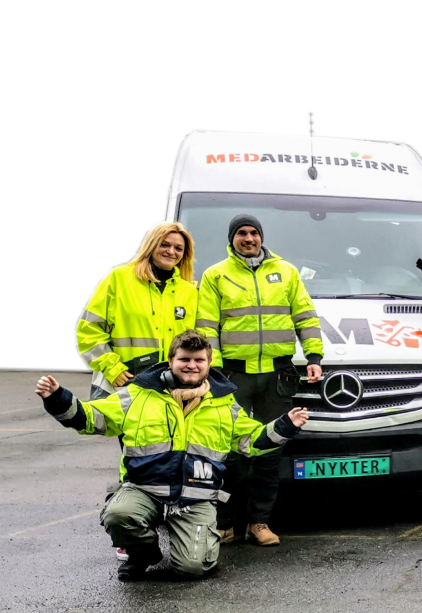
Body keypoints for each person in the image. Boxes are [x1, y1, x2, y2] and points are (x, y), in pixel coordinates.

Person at [35, 330, 308, 580]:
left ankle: (194, 548)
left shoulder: (224, 404)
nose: (191, 365)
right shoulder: (137, 396)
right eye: (184, 359)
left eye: (199, 360)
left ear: (209, 363)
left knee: (192, 568)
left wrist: (285, 425)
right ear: (170, 361)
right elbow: (90, 418)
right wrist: (58, 398)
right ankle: (143, 554)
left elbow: (252, 440)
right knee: (118, 515)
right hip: (144, 490)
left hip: (195, 499)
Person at [196, 215, 323, 547]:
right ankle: (225, 523)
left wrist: (313, 356)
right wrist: (213, 372)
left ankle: (259, 523)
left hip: (276, 375)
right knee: (228, 451)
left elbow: (305, 316)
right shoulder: (215, 275)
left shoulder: (286, 272)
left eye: (254, 233)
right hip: (233, 376)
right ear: (232, 239)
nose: (248, 238)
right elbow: (207, 327)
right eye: (241, 233)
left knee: (270, 449)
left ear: (261, 237)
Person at [76, 221, 200, 399]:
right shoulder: (118, 278)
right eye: (164, 245)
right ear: (151, 245)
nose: (171, 251)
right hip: (120, 385)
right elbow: (88, 330)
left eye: (178, 248)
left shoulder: (189, 291)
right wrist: (112, 367)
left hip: (169, 388)